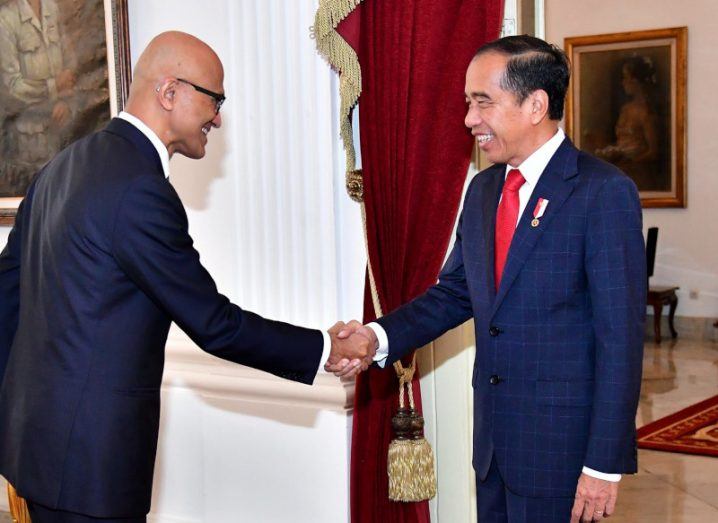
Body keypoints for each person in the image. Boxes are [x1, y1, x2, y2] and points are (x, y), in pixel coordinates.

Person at [0, 31, 373, 522]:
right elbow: (215, 323)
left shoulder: (61, 166)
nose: (218, 117)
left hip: (35, 449)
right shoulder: (139, 188)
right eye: (214, 99)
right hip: (91, 467)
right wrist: (325, 348)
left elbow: (8, 294)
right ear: (169, 91)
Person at [331, 35, 646, 523]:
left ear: (536, 104)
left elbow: (620, 340)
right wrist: (376, 336)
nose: (469, 119)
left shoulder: (602, 192)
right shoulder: (483, 190)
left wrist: (603, 464)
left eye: (483, 102)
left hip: (561, 455)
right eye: (467, 103)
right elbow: (456, 293)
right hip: (495, 447)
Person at [0, 0, 77, 196]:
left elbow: (71, 63)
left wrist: (65, 101)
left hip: (60, 136)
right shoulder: (5, 19)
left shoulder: (52, 8)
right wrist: (53, 86)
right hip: (28, 145)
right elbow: (12, 86)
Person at [595, 55, 662, 191]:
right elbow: (623, 142)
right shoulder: (625, 109)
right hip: (620, 174)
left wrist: (630, 159)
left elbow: (653, 151)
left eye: (627, 77)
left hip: (639, 176)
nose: (624, 82)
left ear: (637, 81)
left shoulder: (647, 112)